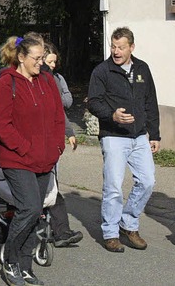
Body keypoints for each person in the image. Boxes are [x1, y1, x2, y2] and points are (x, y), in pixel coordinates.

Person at [0, 35, 65, 286]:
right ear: (21, 57)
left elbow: (57, 115)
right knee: (29, 208)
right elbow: (1, 124)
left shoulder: (47, 80)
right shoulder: (6, 83)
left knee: (37, 213)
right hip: (16, 158)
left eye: (43, 57)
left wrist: (57, 146)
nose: (41, 63)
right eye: (36, 58)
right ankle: (10, 261)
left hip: (45, 158)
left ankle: (25, 266)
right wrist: (24, 148)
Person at [87, 27, 160, 253]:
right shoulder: (102, 71)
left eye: (121, 47)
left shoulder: (142, 68)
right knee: (113, 187)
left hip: (138, 137)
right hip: (113, 137)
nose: (116, 51)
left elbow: (150, 101)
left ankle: (128, 223)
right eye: (113, 46)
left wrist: (154, 134)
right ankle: (110, 232)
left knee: (147, 181)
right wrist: (112, 115)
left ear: (131, 47)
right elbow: (93, 102)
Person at [42, 42, 84, 248]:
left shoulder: (54, 80)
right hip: (28, 146)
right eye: (48, 62)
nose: (52, 66)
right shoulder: (14, 80)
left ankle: (61, 232)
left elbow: (60, 108)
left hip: (50, 142)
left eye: (53, 62)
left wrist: (69, 132)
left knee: (53, 187)